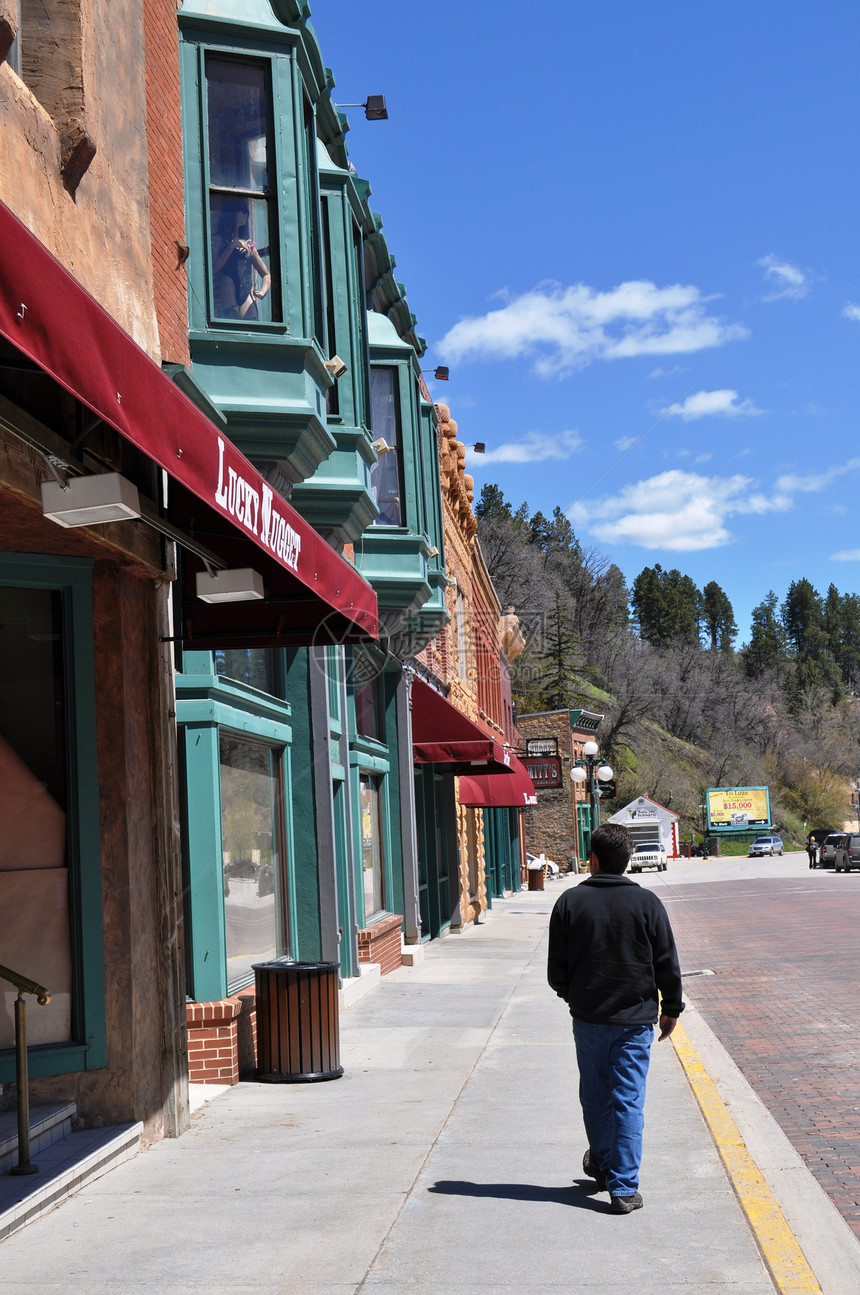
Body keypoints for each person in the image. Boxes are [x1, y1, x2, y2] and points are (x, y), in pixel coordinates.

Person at [547, 822, 684, 1214]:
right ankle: (623, 1188)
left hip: (589, 1019)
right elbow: (666, 963)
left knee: (594, 1096)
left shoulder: (569, 903)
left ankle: (603, 1164)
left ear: (593, 859)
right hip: (635, 1022)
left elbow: (557, 971)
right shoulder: (648, 904)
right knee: (628, 1100)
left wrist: (574, 997)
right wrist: (671, 1009)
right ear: (626, 862)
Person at [211, 199, 271, 320]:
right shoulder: (220, 240)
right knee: (231, 316)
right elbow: (214, 268)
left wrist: (263, 291)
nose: (245, 214)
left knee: (252, 320)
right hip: (227, 282)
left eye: (246, 212)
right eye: (241, 211)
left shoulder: (249, 245)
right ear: (232, 213)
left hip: (246, 289)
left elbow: (266, 274)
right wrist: (231, 246)